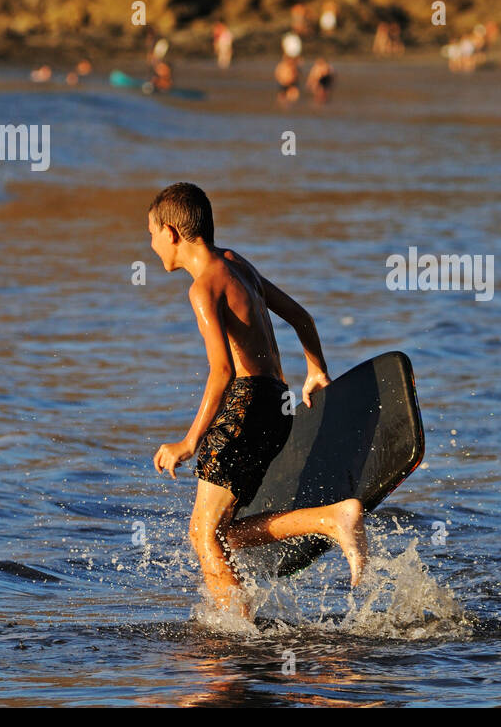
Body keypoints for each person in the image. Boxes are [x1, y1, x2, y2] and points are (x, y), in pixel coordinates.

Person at [147, 182, 367, 620]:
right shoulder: (235, 263)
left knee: (202, 534)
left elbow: (222, 372)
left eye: (151, 234)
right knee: (220, 533)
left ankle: (236, 635)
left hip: (246, 407)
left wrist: (189, 442)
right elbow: (301, 316)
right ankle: (331, 519)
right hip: (275, 405)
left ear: (171, 233)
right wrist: (316, 369)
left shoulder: (203, 288)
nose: (151, 245)